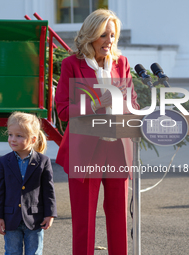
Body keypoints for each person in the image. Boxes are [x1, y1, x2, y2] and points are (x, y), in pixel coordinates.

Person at [55, 9, 140, 255]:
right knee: (84, 221)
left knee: (119, 219)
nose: (109, 41)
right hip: (86, 151)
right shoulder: (72, 65)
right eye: (104, 35)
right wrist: (95, 103)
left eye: (112, 35)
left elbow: (132, 101)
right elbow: (62, 110)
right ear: (90, 35)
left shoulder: (121, 63)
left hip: (117, 149)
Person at [0, 112, 57, 255]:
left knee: (34, 252)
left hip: (35, 219)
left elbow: (48, 190)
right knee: (12, 252)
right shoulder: (4, 162)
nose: (12, 139)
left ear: (33, 139)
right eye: (10, 135)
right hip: (10, 219)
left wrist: (50, 214)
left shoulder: (43, 161)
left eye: (19, 136)